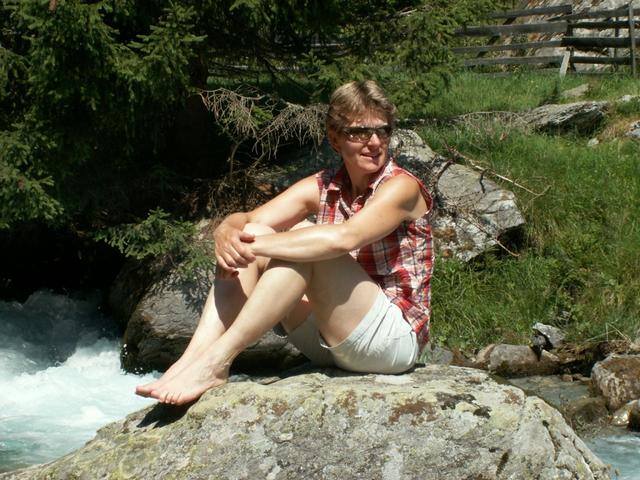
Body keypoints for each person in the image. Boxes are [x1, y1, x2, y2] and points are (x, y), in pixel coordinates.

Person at [136, 80, 433, 405]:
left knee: (304, 246)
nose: (374, 142)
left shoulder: (402, 187)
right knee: (256, 233)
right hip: (331, 337)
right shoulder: (324, 185)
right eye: (360, 132)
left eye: (382, 131)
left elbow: (344, 238)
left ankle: (217, 362)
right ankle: (192, 359)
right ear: (334, 138)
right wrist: (226, 230)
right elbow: (249, 220)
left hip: (391, 342)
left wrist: (253, 246)